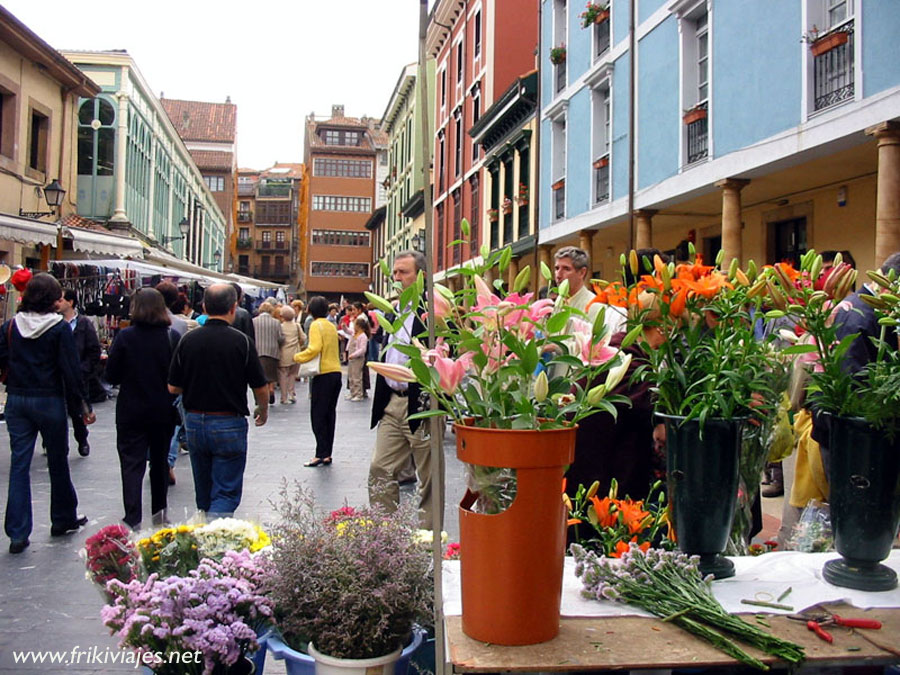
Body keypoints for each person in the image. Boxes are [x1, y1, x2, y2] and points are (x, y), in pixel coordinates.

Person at [1, 273, 95, 553]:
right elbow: (70, 369)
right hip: (49, 400)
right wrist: (82, 404)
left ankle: (17, 532)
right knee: (57, 460)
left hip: (17, 399)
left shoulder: (11, 326)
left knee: (20, 464)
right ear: (52, 298)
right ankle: (62, 517)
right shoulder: (58, 328)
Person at [167, 284, 269, 518]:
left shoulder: (187, 341)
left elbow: (173, 386)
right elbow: (259, 385)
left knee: (204, 492)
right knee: (225, 493)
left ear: (203, 307)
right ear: (234, 307)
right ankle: (216, 543)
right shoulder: (241, 342)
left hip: (194, 421)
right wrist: (262, 409)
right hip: (228, 422)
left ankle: (205, 535)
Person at [368, 250, 438, 529]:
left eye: (403, 272)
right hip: (391, 404)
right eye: (394, 272)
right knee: (379, 469)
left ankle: (427, 539)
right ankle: (386, 538)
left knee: (429, 477)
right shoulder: (393, 310)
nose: (396, 278)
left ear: (420, 276)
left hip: (421, 405)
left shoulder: (433, 310)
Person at [104, 288, 179, 529]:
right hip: (162, 409)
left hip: (131, 409)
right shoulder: (171, 337)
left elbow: (111, 374)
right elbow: (178, 376)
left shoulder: (125, 337)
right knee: (159, 463)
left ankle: (132, 515)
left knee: (131, 462)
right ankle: (159, 513)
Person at [294, 296, 342, 466]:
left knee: (318, 415)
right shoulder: (330, 324)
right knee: (330, 414)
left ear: (310, 310)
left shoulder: (315, 325)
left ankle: (319, 453)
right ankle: (327, 452)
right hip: (336, 372)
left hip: (323, 373)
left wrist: (297, 357)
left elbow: (314, 348)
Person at [58, 288, 101, 457]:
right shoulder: (55, 323)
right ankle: (54, 445)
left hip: (78, 375)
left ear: (70, 302)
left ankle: (82, 439)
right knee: (58, 412)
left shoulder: (83, 323)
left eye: (61, 300)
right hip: (59, 375)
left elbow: (93, 350)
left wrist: (84, 370)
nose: (57, 303)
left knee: (77, 412)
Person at [252, 303, 284, 405]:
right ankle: (271, 389)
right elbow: (280, 338)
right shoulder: (276, 322)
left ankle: (261, 396)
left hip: (258, 351)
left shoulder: (253, 321)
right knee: (271, 374)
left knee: (260, 374)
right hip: (272, 351)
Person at [278, 305, 305, 404]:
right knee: (293, 374)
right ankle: (291, 394)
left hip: (284, 353)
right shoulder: (297, 325)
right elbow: (303, 338)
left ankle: (283, 397)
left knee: (283, 375)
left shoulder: (280, 326)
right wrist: (299, 344)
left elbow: (278, 340)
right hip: (295, 353)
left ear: (282, 316)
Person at [347, 316, 370, 402]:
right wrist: (344, 326)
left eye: (355, 324)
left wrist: (354, 354)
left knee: (357, 376)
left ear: (359, 326)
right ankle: (352, 392)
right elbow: (348, 331)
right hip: (351, 357)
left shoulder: (363, 336)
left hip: (358, 358)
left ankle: (358, 393)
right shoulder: (355, 333)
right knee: (351, 375)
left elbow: (362, 349)